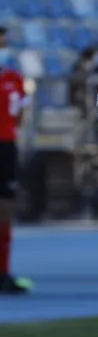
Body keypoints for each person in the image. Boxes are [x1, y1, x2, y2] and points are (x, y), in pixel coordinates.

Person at [0, 26, 29, 295]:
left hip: (6, 146)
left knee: (5, 211)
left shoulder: (14, 78)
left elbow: (20, 115)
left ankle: (3, 272)